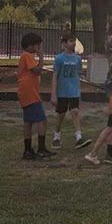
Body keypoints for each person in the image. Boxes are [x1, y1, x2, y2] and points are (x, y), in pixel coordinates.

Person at [17, 32, 54, 160]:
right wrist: (42, 56)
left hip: (28, 92)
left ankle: (28, 150)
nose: (38, 48)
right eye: (37, 45)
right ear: (30, 45)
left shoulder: (27, 56)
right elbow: (37, 70)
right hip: (29, 93)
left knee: (28, 122)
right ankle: (41, 148)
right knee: (41, 120)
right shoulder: (27, 56)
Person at [51, 33, 92, 150]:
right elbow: (55, 76)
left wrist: (79, 90)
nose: (73, 43)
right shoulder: (59, 58)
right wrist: (53, 94)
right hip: (62, 92)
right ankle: (56, 136)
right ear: (64, 44)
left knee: (75, 112)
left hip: (73, 91)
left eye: (74, 41)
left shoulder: (77, 59)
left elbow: (78, 75)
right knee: (61, 114)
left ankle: (79, 137)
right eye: (70, 41)